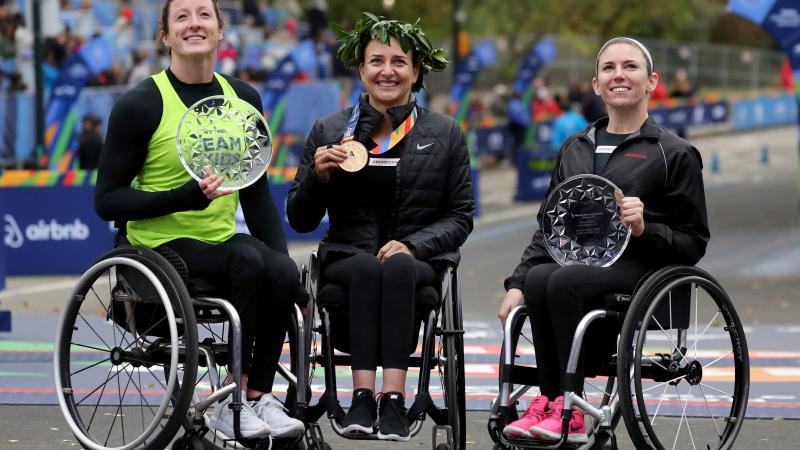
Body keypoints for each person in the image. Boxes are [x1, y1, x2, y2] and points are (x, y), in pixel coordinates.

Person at [94, 0, 304, 441]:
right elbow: (107, 200)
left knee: (282, 272)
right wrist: (184, 198)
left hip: (219, 240)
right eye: (182, 16)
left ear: (221, 30)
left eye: (204, 14)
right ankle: (230, 402)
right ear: (166, 36)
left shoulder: (243, 99)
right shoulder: (141, 104)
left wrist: (284, 265)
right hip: (156, 248)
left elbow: (256, 193)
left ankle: (258, 394)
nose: (195, 23)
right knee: (247, 265)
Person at [497, 37, 709, 444]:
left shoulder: (674, 152)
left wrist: (646, 227)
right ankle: (552, 400)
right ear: (596, 85)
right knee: (542, 279)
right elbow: (549, 227)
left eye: (630, 67)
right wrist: (518, 281)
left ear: (652, 81)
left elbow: (694, 242)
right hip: (578, 267)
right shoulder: (575, 147)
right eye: (609, 68)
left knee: (562, 280)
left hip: (643, 270)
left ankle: (571, 410)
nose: (619, 75)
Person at [286, 13, 474, 442]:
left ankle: (393, 399)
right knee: (370, 267)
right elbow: (300, 218)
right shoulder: (331, 131)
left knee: (397, 267)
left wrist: (412, 245)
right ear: (362, 69)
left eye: (398, 61)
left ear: (417, 70)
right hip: (348, 259)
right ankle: (363, 398)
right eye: (376, 61)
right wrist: (318, 177)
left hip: (417, 262)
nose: (387, 70)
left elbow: (461, 215)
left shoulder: (444, 133)